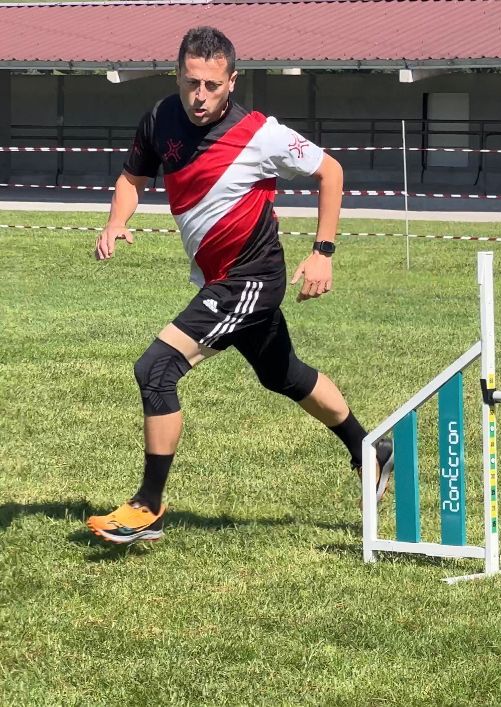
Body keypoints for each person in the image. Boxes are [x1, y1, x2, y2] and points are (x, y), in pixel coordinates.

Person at [87, 26, 391, 545]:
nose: (198, 96)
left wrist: (322, 253)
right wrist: (117, 220)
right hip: (222, 279)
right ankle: (370, 450)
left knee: (155, 369)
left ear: (232, 81)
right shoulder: (160, 119)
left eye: (210, 85)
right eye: (190, 83)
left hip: (249, 280)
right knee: (285, 376)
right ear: (177, 76)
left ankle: (148, 508)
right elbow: (132, 178)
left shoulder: (260, 133)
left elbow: (332, 172)